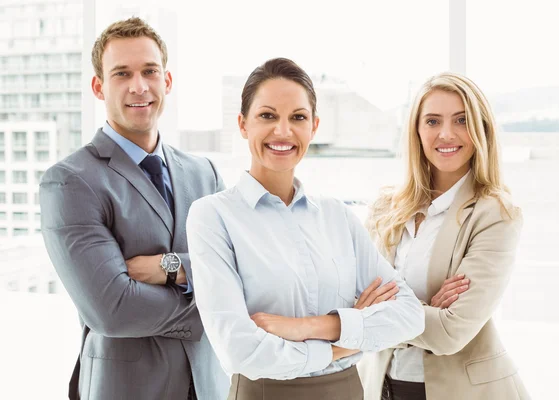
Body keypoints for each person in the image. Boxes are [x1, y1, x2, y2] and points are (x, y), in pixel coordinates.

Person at [185, 58, 425, 400]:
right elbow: (240, 350)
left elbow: (409, 315)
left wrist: (310, 327)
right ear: (242, 124)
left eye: (297, 117)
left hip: (347, 391)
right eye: (267, 116)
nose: (283, 131)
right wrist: (345, 343)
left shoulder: (337, 217)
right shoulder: (213, 216)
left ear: (314, 126)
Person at [40, 17, 228, 400]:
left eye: (149, 71)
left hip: (210, 387)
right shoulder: (70, 181)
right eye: (122, 74)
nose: (138, 86)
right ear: (99, 86)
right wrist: (213, 306)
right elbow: (113, 310)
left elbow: (243, 273)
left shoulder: (204, 173)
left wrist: (167, 267)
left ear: (167, 81)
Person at [357, 72, 530, 400]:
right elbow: (353, 309)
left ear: (481, 129)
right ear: (417, 131)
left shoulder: (496, 213)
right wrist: (424, 309)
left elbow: (452, 332)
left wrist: (382, 311)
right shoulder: (385, 207)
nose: (446, 134)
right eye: (433, 121)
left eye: (461, 120)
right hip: (381, 386)